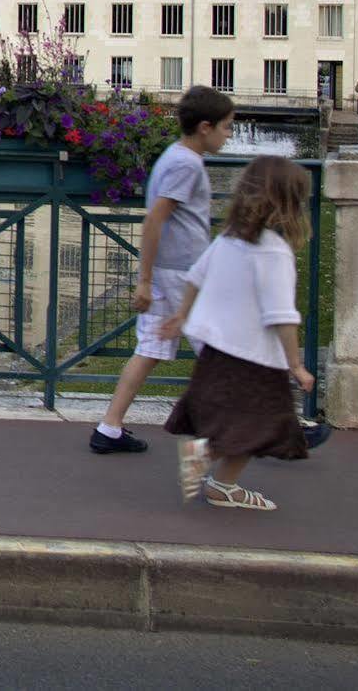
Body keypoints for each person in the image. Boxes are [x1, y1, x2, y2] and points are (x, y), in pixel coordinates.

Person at [87, 85, 236, 455]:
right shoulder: (186, 164)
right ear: (205, 127)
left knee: (151, 348)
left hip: (174, 273)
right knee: (220, 352)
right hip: (182, 276)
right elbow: (155, 219)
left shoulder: (175, 156)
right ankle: (248, 427)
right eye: (227, 127)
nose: (229, 135)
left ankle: (109, 428)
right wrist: (146, 279)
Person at [160, 155, 315, 510]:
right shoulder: (274, 253)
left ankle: (217, 476)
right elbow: (281, 315)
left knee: (235, 419)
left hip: (216, 348)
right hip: (255, 356)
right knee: (263, 423)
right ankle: (212, 469)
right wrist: (296, 364)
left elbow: (195, 276)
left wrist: (182, 316)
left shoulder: (228, 239)